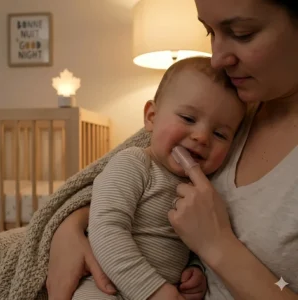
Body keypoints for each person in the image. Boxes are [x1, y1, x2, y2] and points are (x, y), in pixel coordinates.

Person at [46, 0, 298, 299]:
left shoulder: (231, 110)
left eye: (242, 33)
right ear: (151, 115)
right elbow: (101, 198)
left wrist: (211, 251)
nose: (216, 58)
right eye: (208, 32)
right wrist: (69, 228)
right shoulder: (240, 98)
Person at [71, 57, 245, 300]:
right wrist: (153, 290)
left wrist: (195, 269)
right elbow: (105, 228)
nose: (202, 137)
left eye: (219, 134)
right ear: (151, 117)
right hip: (106, 289)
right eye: (188, 119)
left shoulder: (202, 190)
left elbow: (194, 241)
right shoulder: (133, 163)